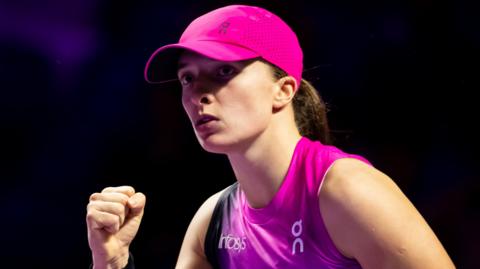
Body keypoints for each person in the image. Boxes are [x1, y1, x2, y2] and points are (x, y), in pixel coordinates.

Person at [86, 4, 456, 269]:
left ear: (283, 90)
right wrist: (113, 262)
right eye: (187, 77)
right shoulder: (214, 220)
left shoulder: (349, 192)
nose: (198, 93)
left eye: (224, 71)